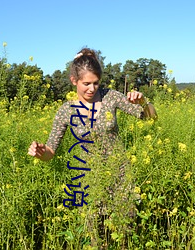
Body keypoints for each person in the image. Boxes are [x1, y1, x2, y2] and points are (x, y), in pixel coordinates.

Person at [28, 47, 157, 246]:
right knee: (94, 237)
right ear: (74, 81)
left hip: (120, 175)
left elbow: (150, 118)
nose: (92, 88)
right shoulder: (66, 111)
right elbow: (51, 151)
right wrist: (40, 152)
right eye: (86, 83)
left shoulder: (110, 97)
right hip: (87, 180)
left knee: (125, 233)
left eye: (96, 83)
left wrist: (144, 102)